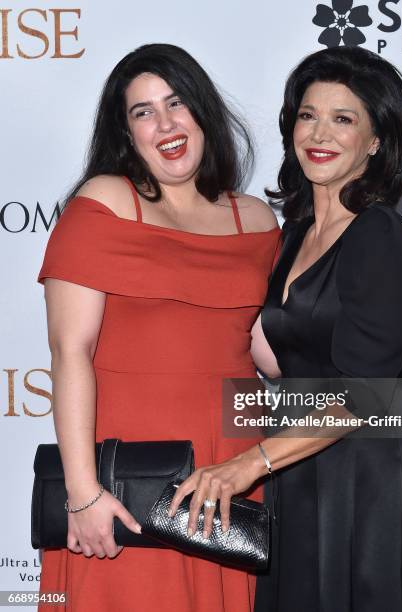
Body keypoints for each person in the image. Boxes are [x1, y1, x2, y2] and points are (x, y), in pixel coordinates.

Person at [169, 47, 402, 612]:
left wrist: (249, 463)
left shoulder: (380, 235)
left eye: (344, 118)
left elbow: (365, 395)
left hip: (368, 474)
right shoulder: (294, 235)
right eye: (308, 115)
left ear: (377, 140)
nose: (320, 133)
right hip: (298, 464)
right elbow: (285, 360)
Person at [37, 43, 280, 612]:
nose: (165, 124)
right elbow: (69, 351)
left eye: (176, 103)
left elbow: (268, 350)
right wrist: (82, 493)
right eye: (142, 111)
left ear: (202, 112)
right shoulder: (104, 204)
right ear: (126, 132)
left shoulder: (257, 218)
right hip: (130, 476)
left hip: (232, 465)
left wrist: (362, 399)